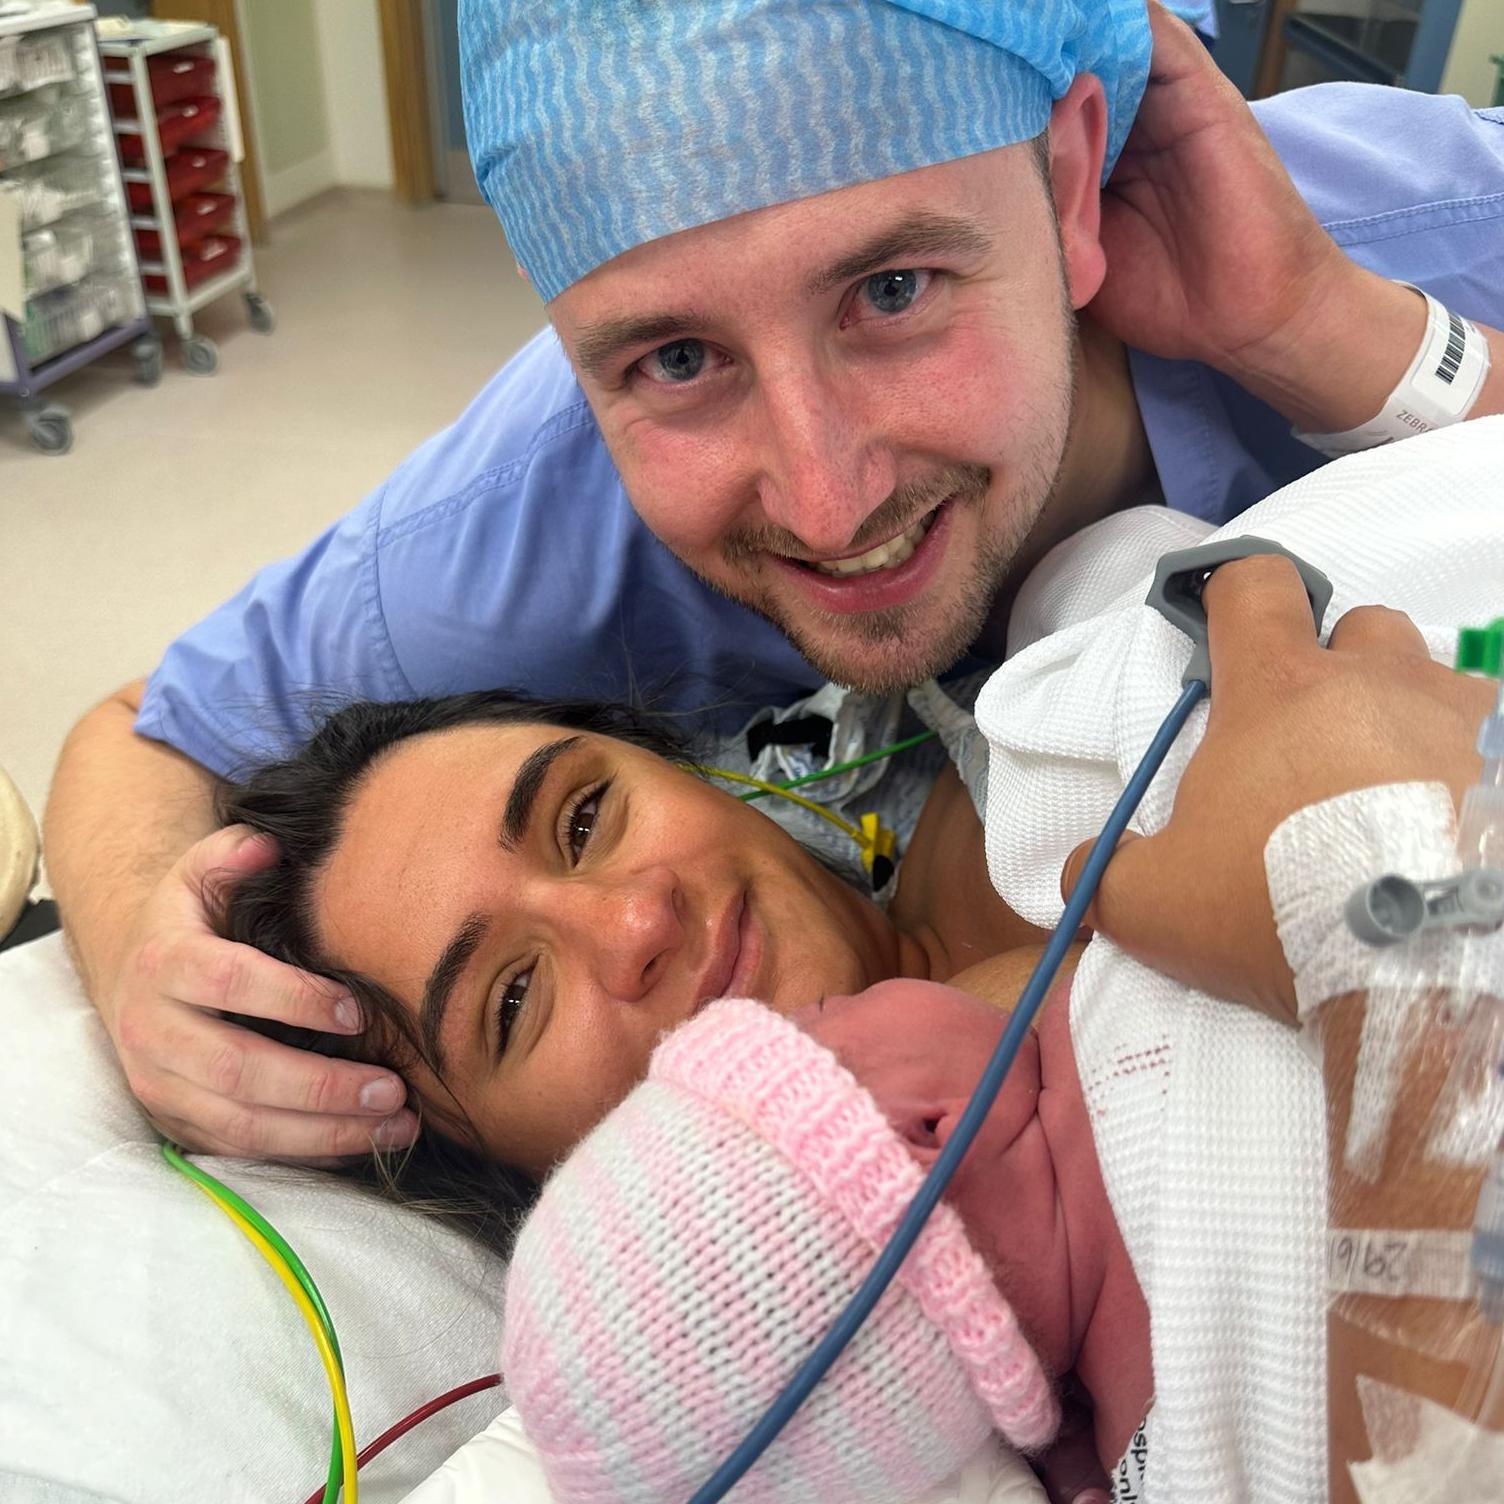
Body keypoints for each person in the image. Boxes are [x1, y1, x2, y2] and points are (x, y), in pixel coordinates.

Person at [43, 1, 1504, 1163]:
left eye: (892, 290)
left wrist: (1360, 352)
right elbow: (150, 730)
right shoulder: (551, 505)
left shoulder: (1422, 227)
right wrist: (139, 978)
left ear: (1070, 183)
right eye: (676, 360)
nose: (826, 501)